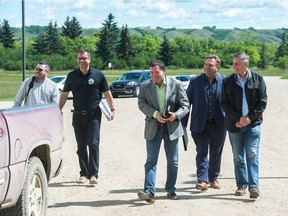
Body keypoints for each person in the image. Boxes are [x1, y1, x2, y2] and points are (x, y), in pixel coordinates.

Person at [59, 49, 115, 185]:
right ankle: (83, 173)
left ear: (89, 59)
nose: (82, 61)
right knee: (81, 146)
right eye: (80, 59)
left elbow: (107, 93)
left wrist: (112, 109)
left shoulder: (98, 75)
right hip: (78, 115)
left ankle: (93, 174)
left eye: (84, 58)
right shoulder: (72, 76)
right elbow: (65, 94)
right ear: (77, 60)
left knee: (93, 144)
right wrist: (57, 110)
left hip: (94, 115)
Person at [137, 60, 189, 203]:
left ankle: (171, 189)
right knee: (151, 161)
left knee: (173, 161)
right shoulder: (145, 86)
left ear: (164, 71)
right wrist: (155, 114)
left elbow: (185, 105)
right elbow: (141, 103)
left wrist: (176, 115)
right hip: (153, 127)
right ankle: (149, 191)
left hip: (171, 128)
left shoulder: (176, 84)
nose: (154, 75)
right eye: (151, 73)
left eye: (157, 72)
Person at [221, 52, 267, 199]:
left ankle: (254, 187)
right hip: (235, 125)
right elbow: (224, 104)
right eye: (233, 63)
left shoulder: (258, 79)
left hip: (253, 125)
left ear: (245, 64)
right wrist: (238, 119)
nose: (233, 66)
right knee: (238, 157)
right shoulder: (228, 81)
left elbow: (262, 102)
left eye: (237, 64)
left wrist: (249, 119)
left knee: (252, 155)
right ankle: (241, 185)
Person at [181, 54, 226, 191]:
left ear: (217, 67)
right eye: (206, 64)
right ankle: (202, 180)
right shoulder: (195, 81)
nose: (207, 67)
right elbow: (187, 102)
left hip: (219, 124)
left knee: (216, 152)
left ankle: (213, 178)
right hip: (200, 124)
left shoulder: (225, 82)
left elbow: (230, 103)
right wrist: (183, 122)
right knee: (201, 152)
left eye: (210, 65)